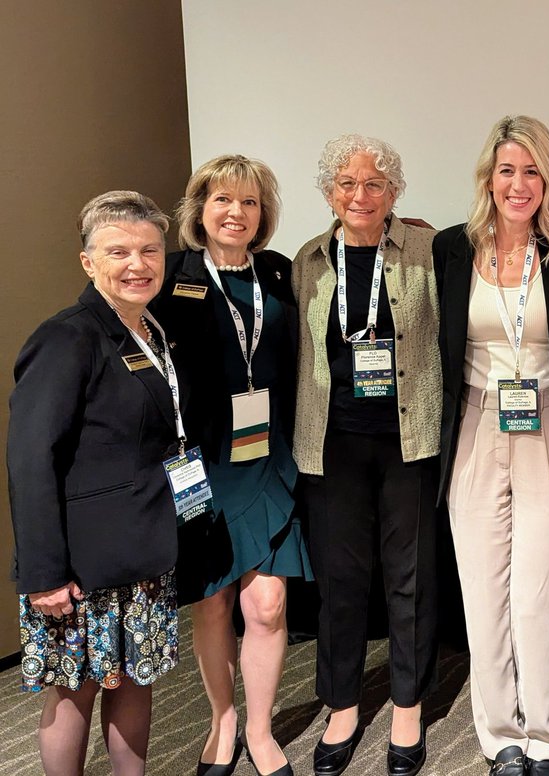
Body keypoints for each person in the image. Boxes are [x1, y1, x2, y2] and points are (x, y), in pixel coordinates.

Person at [432, 116, 549, 776]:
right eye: (507, 170)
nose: (519, 184)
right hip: (475, 427)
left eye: (532, 171)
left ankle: (548, 737)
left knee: (543, 590)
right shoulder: (451, 248)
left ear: (548, 180)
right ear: (488, 177)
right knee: (483, 588)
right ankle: (501, 733)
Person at [8, 191, 182, 776]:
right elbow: (30, 459)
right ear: (88, 262)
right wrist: (44, 574)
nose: (138, 264)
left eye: (150, 250)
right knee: (74, 690)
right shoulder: (67, 337)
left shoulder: (149, 328)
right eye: (118, 252)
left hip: (140, 550)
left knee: (135, 678)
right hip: (81, 567)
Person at [153, 154, 311, 776]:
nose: (236, 212)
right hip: (200, 465)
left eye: (249, 202)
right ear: (201, 209)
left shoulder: (278, 273)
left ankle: (262, 730)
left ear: (262, 213)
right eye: (222, 199)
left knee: (267, 605)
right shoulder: (171, 276)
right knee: (213, 600)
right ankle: (223, 720)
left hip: (267, 456)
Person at [292, 134, 441, 776]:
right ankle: (343, 705)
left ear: (394, 191)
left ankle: (408, 704)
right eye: (347, 183)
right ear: (329, 192)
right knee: (340, 581)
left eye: (375, 183)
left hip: (409, 440)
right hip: (332, 444)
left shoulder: (427, 251)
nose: (361, 194)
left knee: (411, 578)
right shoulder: (306, 261)